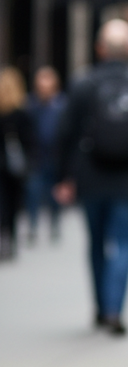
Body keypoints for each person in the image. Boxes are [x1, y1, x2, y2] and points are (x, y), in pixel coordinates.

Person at [54, 18, 128, 334]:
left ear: (100, 48)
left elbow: (65, 134)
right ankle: (116, 310)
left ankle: (101, 308)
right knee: (124, 243)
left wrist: (63, 178)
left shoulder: (83, 83)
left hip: (91, 177)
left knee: (96, 243)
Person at [25, 65, 67, 243]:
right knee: (33, 191)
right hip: (36, 156)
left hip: (56, 156)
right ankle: (33, 224)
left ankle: (55, 222)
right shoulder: (30, 104)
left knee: (54, 192)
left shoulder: (62, 105)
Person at [0, 67, 33, 261]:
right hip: (15, 166)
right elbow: (30, 141)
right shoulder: (22, 114)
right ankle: (9, 239)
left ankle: (4, 238)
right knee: (12, 203)